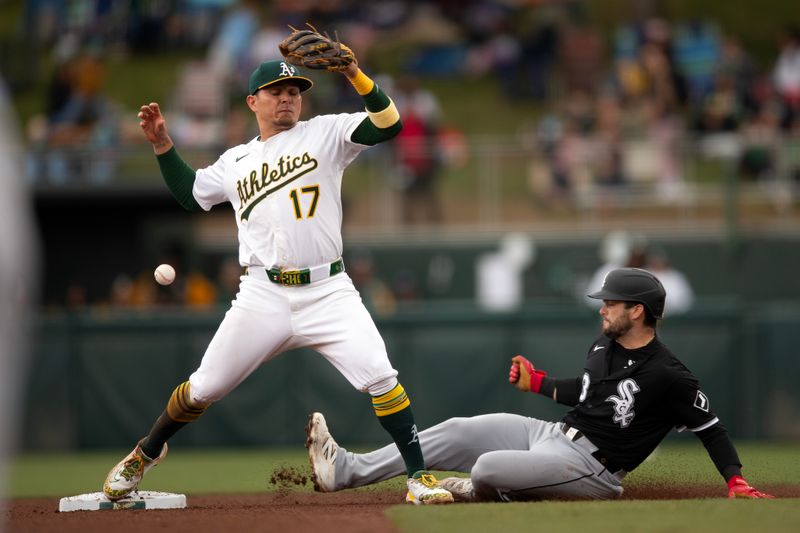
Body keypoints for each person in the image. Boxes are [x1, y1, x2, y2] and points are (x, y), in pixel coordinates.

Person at [102, 50, 453, 505]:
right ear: (253, 102)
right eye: (276, 92)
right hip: (261, 294)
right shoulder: (236, 161)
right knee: (204, 386)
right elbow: (191, 194)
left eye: (294, 91)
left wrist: (354, 74)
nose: (287, 98)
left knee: (382, 376)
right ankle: (144, 453)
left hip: (328, 289)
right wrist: (162, 146)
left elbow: (389, 124)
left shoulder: (326, 133)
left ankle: (418, 479)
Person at [305, 268, 773, 502]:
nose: (602, 309)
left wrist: (734, 479)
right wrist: (539, 384)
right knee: (458, 430)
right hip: (551, 435)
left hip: (595, 469)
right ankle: (345, 470)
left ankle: (470, 491)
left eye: (611, 303)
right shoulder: (604, 345)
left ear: (638, 311)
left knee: (485, 468)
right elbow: (586, 394)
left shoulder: (669, 374)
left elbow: (710, 426)